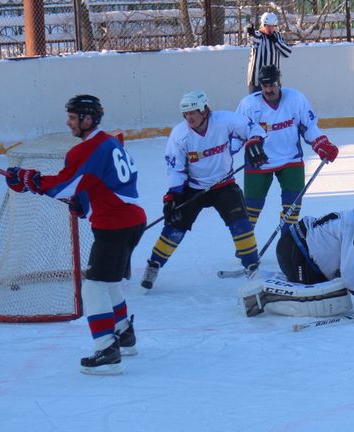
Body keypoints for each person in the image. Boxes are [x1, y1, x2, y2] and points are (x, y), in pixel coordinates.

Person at [5, 95, 147, 376]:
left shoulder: (88, 148)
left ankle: (107, 350)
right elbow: (97, 181)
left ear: (88, 119)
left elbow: (64, 185)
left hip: (114, 225)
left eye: (73, 117)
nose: (68, 122)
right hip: (130, 220)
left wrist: (28, 179)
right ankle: (124, 335)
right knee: (108, 283)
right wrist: (85, 202)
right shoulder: (109, 142)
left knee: (93, 287)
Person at [140, 90, 268, 290]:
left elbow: (255, 129)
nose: (189, 117)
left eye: (193, 112)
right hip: (193, 188)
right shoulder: (180, 135)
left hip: (223, 184)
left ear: (205, 110)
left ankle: (252, 268)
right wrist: (173, 195)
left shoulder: (225, 120)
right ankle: (154, 265)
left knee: (241, 225)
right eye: (186, 114)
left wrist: (254, 142)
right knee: (174, 228)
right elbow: (176, 169)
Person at [240, 200, 354, 321]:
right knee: (327, 297)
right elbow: (352, 277)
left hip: (294, 246)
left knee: (336, 286)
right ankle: (265, 295)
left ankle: (263, 277)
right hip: (297, 252)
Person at [236, 65, 339, 230]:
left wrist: (320, 142)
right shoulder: (248, 105)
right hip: (259, 162)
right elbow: (237, 135)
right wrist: (223, 156)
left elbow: (309, 126)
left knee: (292, 209)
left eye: (272, 85)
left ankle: (287, 244)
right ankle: (246, 251)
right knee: (250, 211)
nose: (269, 89)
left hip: (291, 159)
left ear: (280, 83)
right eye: (265, 85)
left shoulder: (295, 99)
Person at [246, 12, 292, 94]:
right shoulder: (259, 35)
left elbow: (287, 52)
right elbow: (254, 38)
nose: (271, 28)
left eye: (272, 26)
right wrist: (250, 33)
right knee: (256, 104)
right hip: (257, 81)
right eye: (268, 26)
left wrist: (276, 41)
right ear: (263, 25)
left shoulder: (277, 36)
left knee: (274, 105)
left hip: (274, 80)